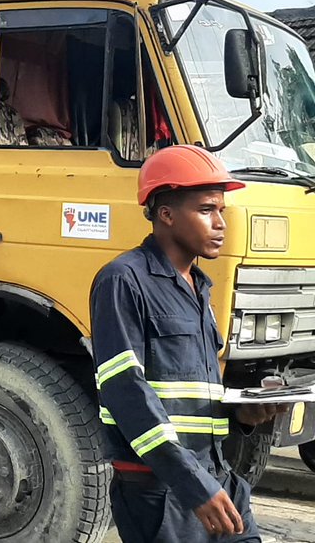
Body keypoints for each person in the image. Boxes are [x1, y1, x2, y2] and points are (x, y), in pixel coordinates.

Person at [89, 146, 289, 542]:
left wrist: (241, 417)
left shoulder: (200, 290)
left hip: (217, 478)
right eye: (207, 210)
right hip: (162, 490)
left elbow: (189, 392)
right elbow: (125, 392)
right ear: (166, 214)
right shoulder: (123, 281)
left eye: (222, 211)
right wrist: (193, 486)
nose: (221, 224)